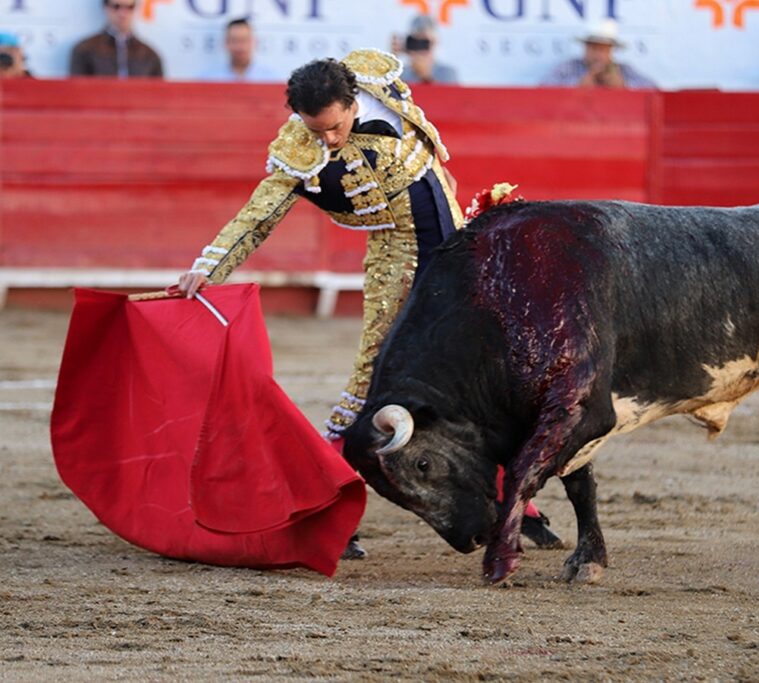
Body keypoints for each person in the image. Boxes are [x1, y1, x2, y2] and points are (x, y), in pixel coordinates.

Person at [177, 51, 563, 557]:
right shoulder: (300, 152)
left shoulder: (379, 81)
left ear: (351, 100)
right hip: (400, 266)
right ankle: (323, 508)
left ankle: (518, 506)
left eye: (334, 127)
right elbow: (257, 218)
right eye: (316, 131)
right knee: (370, 385)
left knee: (478, 382)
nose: (328, 140)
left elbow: (429, 165)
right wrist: (208, 268)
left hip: (460, 253)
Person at [541, 19, 656, 89]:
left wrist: (623, 85)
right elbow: (543, 89)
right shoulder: (569, 67)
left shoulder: (624, 70)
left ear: (611, 51)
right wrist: (578, 85)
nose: (597, 55)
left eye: (603, 49)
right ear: (585, 47)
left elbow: (654, 89)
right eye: (593, 48)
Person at [70, 0, 163, 78]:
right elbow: (77, 93)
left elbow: (158, 95)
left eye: (130, 7)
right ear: (105, 7)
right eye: (116, 7)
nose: (123, 13)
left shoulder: (150, 55)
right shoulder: (84, 50)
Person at [199, 17, 278, 83]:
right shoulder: (210, 79)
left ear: (254, 43)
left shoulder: (270, 79)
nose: (240, 47)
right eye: (234, 41)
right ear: (225, 44)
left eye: (244, 40)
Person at [391, 14, 458, 85]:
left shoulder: (447, 73)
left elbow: (450, 95)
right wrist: (391, 64)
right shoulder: (400, 74)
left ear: (435, 42)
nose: (420, 47)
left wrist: (426, 77)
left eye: (424, 42)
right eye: (416, 41)